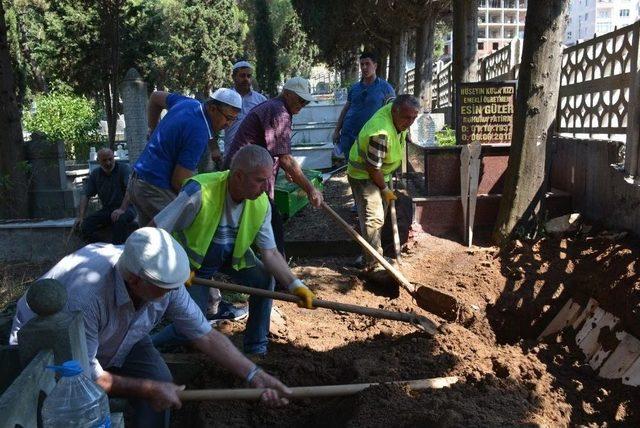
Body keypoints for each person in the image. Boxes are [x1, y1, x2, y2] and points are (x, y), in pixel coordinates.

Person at [9, 227, 290, 428]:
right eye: (163, 288)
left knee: (161, 382)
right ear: (134, 279)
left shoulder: (164, 282)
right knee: (142, 390)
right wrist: (146, 389)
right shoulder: (87, 297)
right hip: (55, 352)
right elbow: (83, 376)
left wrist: (254, 374)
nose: (172, 293)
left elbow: (203, 334)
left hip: (123, 334)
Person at [151, 145, 315, 358]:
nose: (266, 187)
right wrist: (175, 270)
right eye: (260, 180)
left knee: (265, 278)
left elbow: (271, 253)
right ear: (238, 176)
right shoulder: (200, 191)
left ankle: (257, 347)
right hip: (190, 267)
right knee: (192, 326)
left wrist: (296, 285)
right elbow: (155, 230)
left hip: (228, 256)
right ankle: (145, 346)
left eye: (268, 179)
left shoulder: (261, 202)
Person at [223, 76, 324, 257]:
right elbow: (285, 158)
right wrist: (311, 189)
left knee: (263, 221)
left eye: (305, 101)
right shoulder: (279, 112)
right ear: (286, 93)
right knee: (271, 222)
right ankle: (279, 274)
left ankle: (268, 267)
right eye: (299, 99)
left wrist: (288, 170)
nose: (302, 104)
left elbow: (279, 153)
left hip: (251, 172)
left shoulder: (277, 108)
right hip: (246, 176)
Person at [123, 88, 243, 227]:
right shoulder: (198, 132)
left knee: (147, 241)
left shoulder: (189, 104)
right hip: (154, 189)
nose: (229, 124)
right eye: (228, 118)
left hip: (137, 181)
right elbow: (179, 181)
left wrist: (152, 128)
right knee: (185, 233)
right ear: (212, 108)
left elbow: (155, 97)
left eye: (234, 119)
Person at [347, 95, 419, 270]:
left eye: (413, 118)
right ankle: (374, 264)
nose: (410, 122)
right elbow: (373, 168)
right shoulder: (381, 133)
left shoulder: (394, 108)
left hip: (381, 172)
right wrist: (384, 189)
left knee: (382, 215)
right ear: (395, 111)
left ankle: (369, 255)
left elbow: (390, 99)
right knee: (374, 218)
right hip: (364, 174)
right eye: (406, 118)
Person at [333, 52, 396, 162]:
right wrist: (337, 130)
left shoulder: (386, 88)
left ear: (375, 66)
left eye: (367, 64)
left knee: (371, 169)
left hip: (372, 138)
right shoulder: (355, 88)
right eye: (362, 64)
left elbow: (393, 112)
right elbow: (346, 110)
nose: (364, 67)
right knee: (353, 168)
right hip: (350, 135)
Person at [73, 147, 136, 244]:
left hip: (126, 208)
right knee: (85, 225)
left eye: (110, 159)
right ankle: (100, 247)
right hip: (107, 210)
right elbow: (85, 194)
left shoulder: (124, 169)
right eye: (104, 160)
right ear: (98, 161)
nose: (108, 163)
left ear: (113, 158)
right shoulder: (95, 174)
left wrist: (122, 209)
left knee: (119, 219)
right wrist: (81, 216)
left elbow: (130, 189)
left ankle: (117, 249)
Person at [222, 61, 267, 155]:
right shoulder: (225, 98)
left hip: (255, 153)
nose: (246, 79)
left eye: (249, 76)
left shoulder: (261, 100)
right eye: (242, 76)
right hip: (232, 152)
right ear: (233, 77)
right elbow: (213, 126)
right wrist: (214, 149)